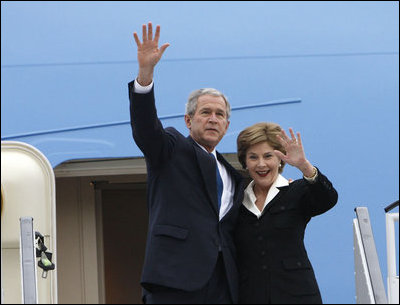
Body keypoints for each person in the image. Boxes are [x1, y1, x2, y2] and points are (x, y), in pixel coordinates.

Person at [129, 22, 244, 304]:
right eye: (205, 112)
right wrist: (145, 75)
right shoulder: (170, 148)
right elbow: (146, 129)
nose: (213, 119)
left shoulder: (234, 176)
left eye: (220, 114)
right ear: (188, 120)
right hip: (174, 281)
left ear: (227, 126)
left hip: (223, 284)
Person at [235, 122, 338, 304]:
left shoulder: (296, 191)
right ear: (245, 162)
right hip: (250, 295)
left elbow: (328, 199)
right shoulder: (236, 199)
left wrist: (305, 166)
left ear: (280, 159)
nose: (261, 164)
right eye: (253, 157)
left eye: (268, 156)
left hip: (297, 294)